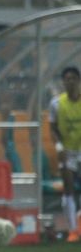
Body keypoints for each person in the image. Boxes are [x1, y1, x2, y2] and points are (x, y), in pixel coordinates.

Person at [50, 66, 81, 242]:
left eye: (73, 78)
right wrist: (59, 147)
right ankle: (73, 230)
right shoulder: (56, 103)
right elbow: (53, 128)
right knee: (68, 188)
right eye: (67, 79)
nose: (70, 82)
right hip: (67, 151)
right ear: (63, 82)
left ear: (79, 81)